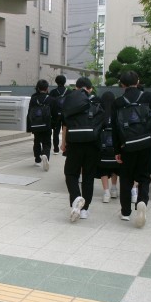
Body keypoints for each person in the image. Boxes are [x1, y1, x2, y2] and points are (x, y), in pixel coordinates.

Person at [112, 70, 151, 228]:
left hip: (127, 146)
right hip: (146, 144)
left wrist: (117, 150)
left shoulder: (118, 102)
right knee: (144, 177)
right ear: (138, 81)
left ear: (122, 84)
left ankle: (125, 212)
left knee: (126, 178)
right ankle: (142, 201)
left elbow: (115, 128)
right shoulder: (148, 97)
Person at [61, 76, 102, 221]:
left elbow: (65, 124)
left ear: (77, 88)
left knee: (71, 173)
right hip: (92, 144)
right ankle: (85, 210)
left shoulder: (70, 101)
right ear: (90, 89)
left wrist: (63, 142)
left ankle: (76, 198)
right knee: (88, 176)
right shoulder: (96, 102)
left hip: (74, 143)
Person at [95, 91, 119, 203]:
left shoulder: (100, 112)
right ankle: (114, 188)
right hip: (115, 146)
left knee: (103, 168)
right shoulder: (117, 112)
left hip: (103, 146)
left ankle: (106, 192)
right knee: (115, 167)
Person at [27, 79, 55, 171]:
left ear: (38, 88)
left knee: (37, 141)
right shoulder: (51, 99)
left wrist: (29, 126)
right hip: (46, 124)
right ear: (47, 88)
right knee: (46, 142)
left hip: (36, 124)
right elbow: (54, 114)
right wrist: (54, 124)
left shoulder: (33, 98)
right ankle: (45, 155)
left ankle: (37, 160)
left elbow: (29, 112)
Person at [49, 74, 69, 155]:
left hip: (55, 114)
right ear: (65, 82)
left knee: (56, 132)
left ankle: (56, 148)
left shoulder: (53, 92)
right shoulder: (69, 92)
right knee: (66, 130)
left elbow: (50, 104)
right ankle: (65, 147)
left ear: (56, 82)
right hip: (66, 114)